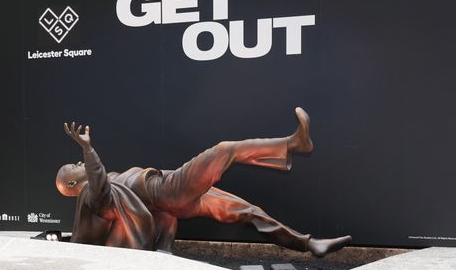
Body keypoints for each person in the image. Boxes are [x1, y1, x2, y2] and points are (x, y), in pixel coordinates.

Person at [57, 108, 351, 256]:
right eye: (74, 166)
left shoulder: (105, 188)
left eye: (78, 159)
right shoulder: (90, 198)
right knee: (224, 150)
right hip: (167, 192)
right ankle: (292, 145)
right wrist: (89, 150)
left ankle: (309, 244)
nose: (79, 163)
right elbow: (101, 189)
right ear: (72, 186)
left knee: (245, 211)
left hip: (169, 192)